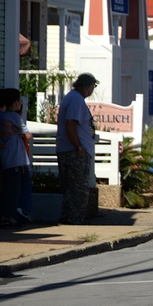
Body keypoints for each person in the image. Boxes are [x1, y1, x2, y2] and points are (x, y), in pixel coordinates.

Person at [56, 73, 98, 225]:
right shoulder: (76, 99)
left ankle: (70, 220)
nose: (93, 90)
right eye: (93, 86)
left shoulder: (73, 98)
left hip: (70, 150)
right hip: (73, 152)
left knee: (72, 189)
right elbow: (70, 124)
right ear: (87, 87)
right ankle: (73, 221)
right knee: (77, 190)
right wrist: (78, 146)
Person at [0, 88, 32, 228]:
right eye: (20, 101)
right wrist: (22, 134)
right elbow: (28, 135)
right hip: (17, 161)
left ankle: (5, 216)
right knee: (14, 192)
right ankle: (10, 218)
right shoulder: (15, 117)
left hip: (6, 159)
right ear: (16, 102)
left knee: (8, 190)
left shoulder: (3, 116)